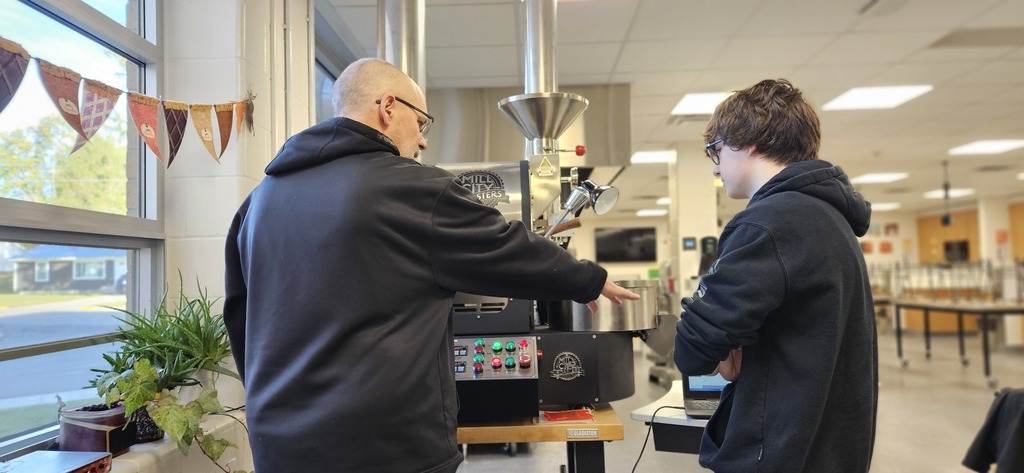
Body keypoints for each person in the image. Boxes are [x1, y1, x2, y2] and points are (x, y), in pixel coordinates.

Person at [223, 58, 638, 473]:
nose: (422, 142)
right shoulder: (408, 187)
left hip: (279, 447)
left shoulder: (257, 203)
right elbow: (506, 248)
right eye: (421, 123)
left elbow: (241, 323)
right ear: (388, 107)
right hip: (385, 447)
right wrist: (588, 278)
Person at [673, 79, 877, 472]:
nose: (716, 168)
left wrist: (724, 352)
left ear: (744, 140)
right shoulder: (829, 217)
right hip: (826, 447)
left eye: (715, 151)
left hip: (778, 452)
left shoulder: (767, 223)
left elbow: (693, 349)